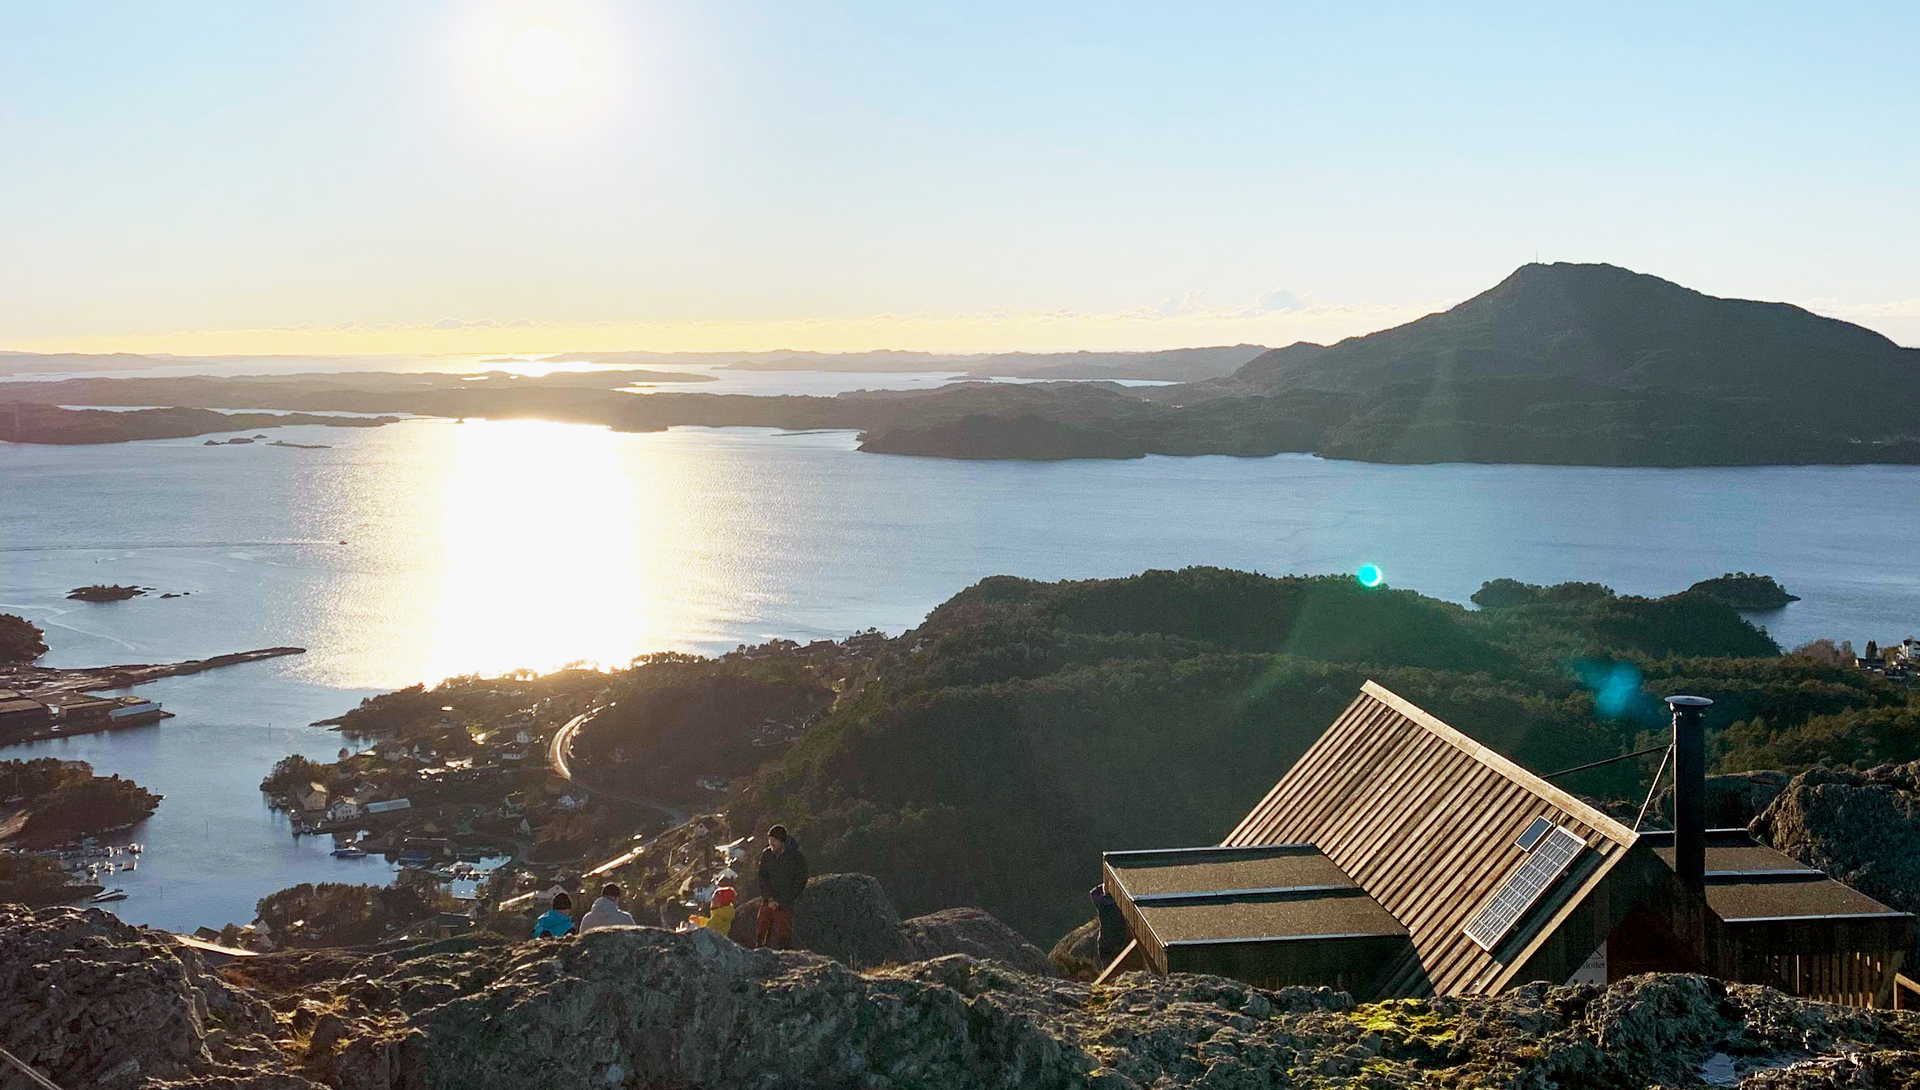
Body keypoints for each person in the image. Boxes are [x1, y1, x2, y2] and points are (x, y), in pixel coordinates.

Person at [755, 824, 807, 949]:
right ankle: (760, 950)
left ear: (782, 841)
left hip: (785, 902)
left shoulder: (796, 858)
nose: (771, 844)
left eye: (774, 841)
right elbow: (762, 877)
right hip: (769, 900)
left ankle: (784, 955)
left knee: (784, 930)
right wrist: (769, 898)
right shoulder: (767, 854)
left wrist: (782, 901)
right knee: (762, 924)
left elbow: (800, 882)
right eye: (770, 841)